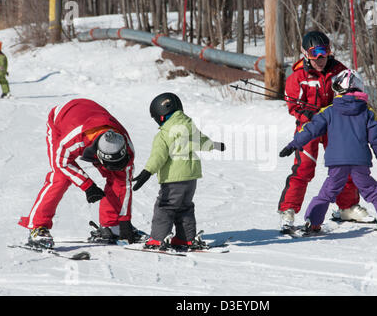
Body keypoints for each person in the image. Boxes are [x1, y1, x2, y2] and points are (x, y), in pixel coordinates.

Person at [279, 69, 377, 233]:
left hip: (337, 162)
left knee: (326, 193)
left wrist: (294, 144)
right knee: (371, 190)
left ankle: (313, 222)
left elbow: (310, 130)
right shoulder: (367, 112)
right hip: (360, 162)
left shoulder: (329, 111)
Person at [278, 30, 374, 232]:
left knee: (343, 165)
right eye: (315, 54)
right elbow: (293, 106)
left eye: (325, 52)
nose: (321, 59)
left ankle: (347, 207)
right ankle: (288, 210)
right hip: (310, 127)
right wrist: (310, 115)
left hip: (335, 127)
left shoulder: (339, 71)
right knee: (303, 168)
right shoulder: (298, 76)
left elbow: (351, 93)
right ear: (305, 54)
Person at [18, 98, 142, 248]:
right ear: (98, 154)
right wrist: (88, 186)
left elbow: (125, 184)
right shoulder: (74, 140)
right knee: (61, 178)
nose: (114, 167)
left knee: (118, 178)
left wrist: (124, 221)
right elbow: (62, 163)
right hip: (61, 120)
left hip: (92, 118)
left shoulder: (126, 147)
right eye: (109, 164)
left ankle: (111, 224)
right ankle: (37, 227)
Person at [132, 92, 225, 249]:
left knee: (165, 207)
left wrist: (146, 172)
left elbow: (158, 157)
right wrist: (215, 145)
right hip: (191, 178)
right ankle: (185, 238)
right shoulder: (189, 127)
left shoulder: (163, 135)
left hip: (173, 180)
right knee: (184, 207)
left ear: (160, 115)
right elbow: (202, 142)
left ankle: (158, 238)